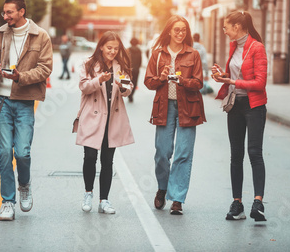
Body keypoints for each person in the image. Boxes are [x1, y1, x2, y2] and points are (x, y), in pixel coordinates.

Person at [0, 0, 53, 221]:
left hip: (24, 100)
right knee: (5, 153)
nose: (5, 17)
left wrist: (20, 77)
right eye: (4, 13)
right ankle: (7, 202)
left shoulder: (40, 35)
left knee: (22, 152)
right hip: (1, 101)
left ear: (21, 11)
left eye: (9, 13)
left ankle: (24, 184)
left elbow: (45, 68)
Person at [144, 15, 206, 215]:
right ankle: (163, 187)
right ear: (169, 31)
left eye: (184, 30)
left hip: (188, 108)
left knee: (183, 153)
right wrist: (161, 78)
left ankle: (177, 198)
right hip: (164, 107)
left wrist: (182, 81)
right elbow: (148, 82)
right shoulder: (158, 54)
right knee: (162, 152)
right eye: (177, 30)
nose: (180, 33)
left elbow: (198, 83)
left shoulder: (193, 54)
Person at [211, 10, 268, 222]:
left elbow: (260, 83)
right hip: (235, 105)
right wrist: (224, 76)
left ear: (237, 27)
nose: (224, 30)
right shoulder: (234, 46)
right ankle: (237, 203)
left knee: (254, 153)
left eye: (227, 26)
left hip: (254, 107)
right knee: (236, 155)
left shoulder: (257, 48)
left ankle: (258, 203)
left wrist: (232, 82)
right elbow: (237, 74)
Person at [76, 31, 135, 214]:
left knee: (107, 161)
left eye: (116, 49)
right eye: (109, 48)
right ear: (101, 46)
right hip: (92, 117)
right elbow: (84, 87)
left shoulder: (120, 65)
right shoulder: (88, 63)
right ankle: (88, 194)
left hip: (112, 117)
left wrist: (124, 86)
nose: (112, 52)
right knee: (90, 157)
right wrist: (98, 80)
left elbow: (128, 87)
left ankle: (104, 200)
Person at [128, 37, 142, 102]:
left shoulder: (128, 50)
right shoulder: (139, 50)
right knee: (135, 82)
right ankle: (131, 95)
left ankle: (129, 94)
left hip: (129, 69)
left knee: (128, 82)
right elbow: (140, 61)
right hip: (136, 69)